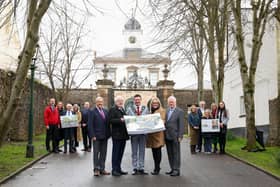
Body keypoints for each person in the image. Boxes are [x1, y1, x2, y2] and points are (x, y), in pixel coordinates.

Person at [126, 94, 149, 175]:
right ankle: (135, 168)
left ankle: (141, 168)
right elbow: (127, 121)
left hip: (143, 133)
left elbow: (148, 120)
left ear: (141, 100)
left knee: (142, 151)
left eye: (138, 99)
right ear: (134, 100)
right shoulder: (129, 109)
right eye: (136, 100)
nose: (137, 101)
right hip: (134, 134)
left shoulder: (145, 108)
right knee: (134, 151)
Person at [88, 97, 111, 176]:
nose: (100, 103)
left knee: (103, 153)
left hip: (105, 136)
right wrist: (92, 135)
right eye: (98, 101)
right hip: (96, 136)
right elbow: (90, 125)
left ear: (103, 102)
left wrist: (109, 134)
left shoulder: (105, 111)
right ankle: (96, 169)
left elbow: (108, 123)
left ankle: (102, 169)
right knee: (96, 153)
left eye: (101, 101)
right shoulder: (92, 111)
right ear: (96, 102)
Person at [109, 96, 129, 177]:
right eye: (119, 101)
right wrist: (120, 120)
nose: (121, 102)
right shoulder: (113, 109)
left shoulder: (122, 109)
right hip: (117, 135)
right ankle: (114, 170)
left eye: (122, 101)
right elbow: (110, 120)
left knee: (120, 153)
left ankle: (119, 169)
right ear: (116, 101)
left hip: (123, 135)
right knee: (116, 153)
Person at [164, 96, 184, 177]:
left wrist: (180, 136)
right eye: (169, 102)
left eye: (172, 101)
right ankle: (172, 168)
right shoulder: (167, 110)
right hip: (167, 135)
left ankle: (176, 169)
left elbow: (181, 125)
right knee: (170, 153)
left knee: (176, 153)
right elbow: (166, 122)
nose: (171, 103)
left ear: (175, 102)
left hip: (175, 136)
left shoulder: (180, 111)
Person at [146, 97, 165, 175]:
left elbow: (163, 121)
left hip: (158, 134)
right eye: (153, 103)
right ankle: (156, 166)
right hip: (151, 134)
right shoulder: (149, 111)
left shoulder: (162, 110)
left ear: (159, 103)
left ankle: (157, 168)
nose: (155, 104)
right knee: (154, 151)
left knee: (158, 151)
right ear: (151, 104)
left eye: (156, 103)